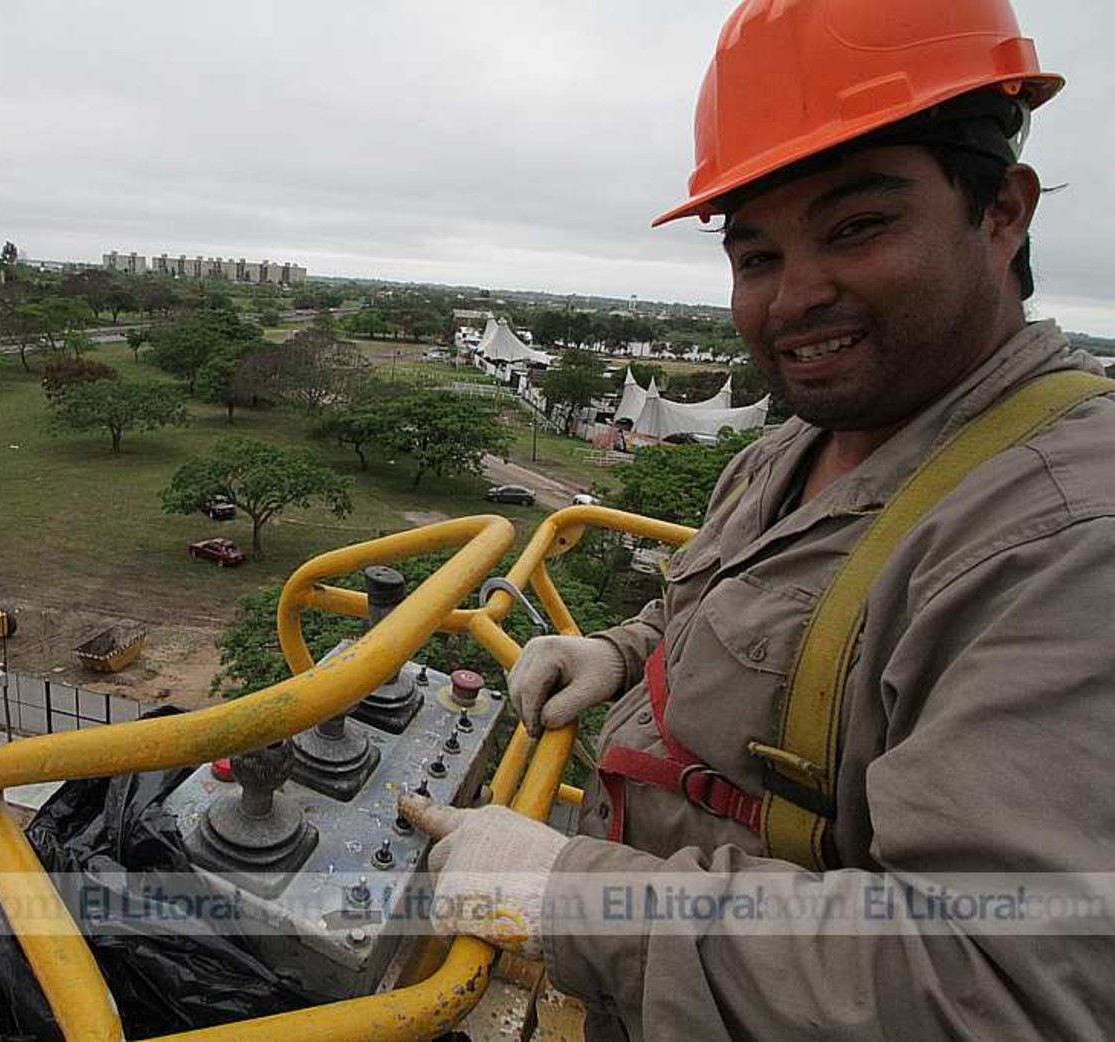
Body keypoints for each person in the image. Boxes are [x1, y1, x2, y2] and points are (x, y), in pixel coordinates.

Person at [400, 1, 1115, 1038]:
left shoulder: (1064, 540)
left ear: (1000, 212)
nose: (792, 300)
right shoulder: (790, 449)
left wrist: (574, 894)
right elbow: (750, 621)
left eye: (855, 227)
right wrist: (618, 647)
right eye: (755, 256)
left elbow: (990, 983)